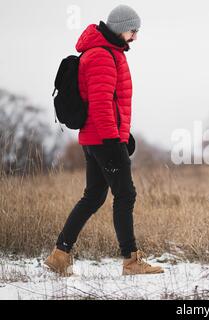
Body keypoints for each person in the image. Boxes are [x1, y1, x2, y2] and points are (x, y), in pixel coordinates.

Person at [44, 4, 163, 276]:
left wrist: (123, 135)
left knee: (94, 197)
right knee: (125, 195)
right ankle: (131, 261)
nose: (135, 37)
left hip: (97, 137)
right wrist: (113, 141)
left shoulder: (107, 53)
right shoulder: (102, 56)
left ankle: (60, 255)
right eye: (133, 31)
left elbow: (112, 103)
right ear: (121, 28)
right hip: (102, 139)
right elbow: (100, 104)